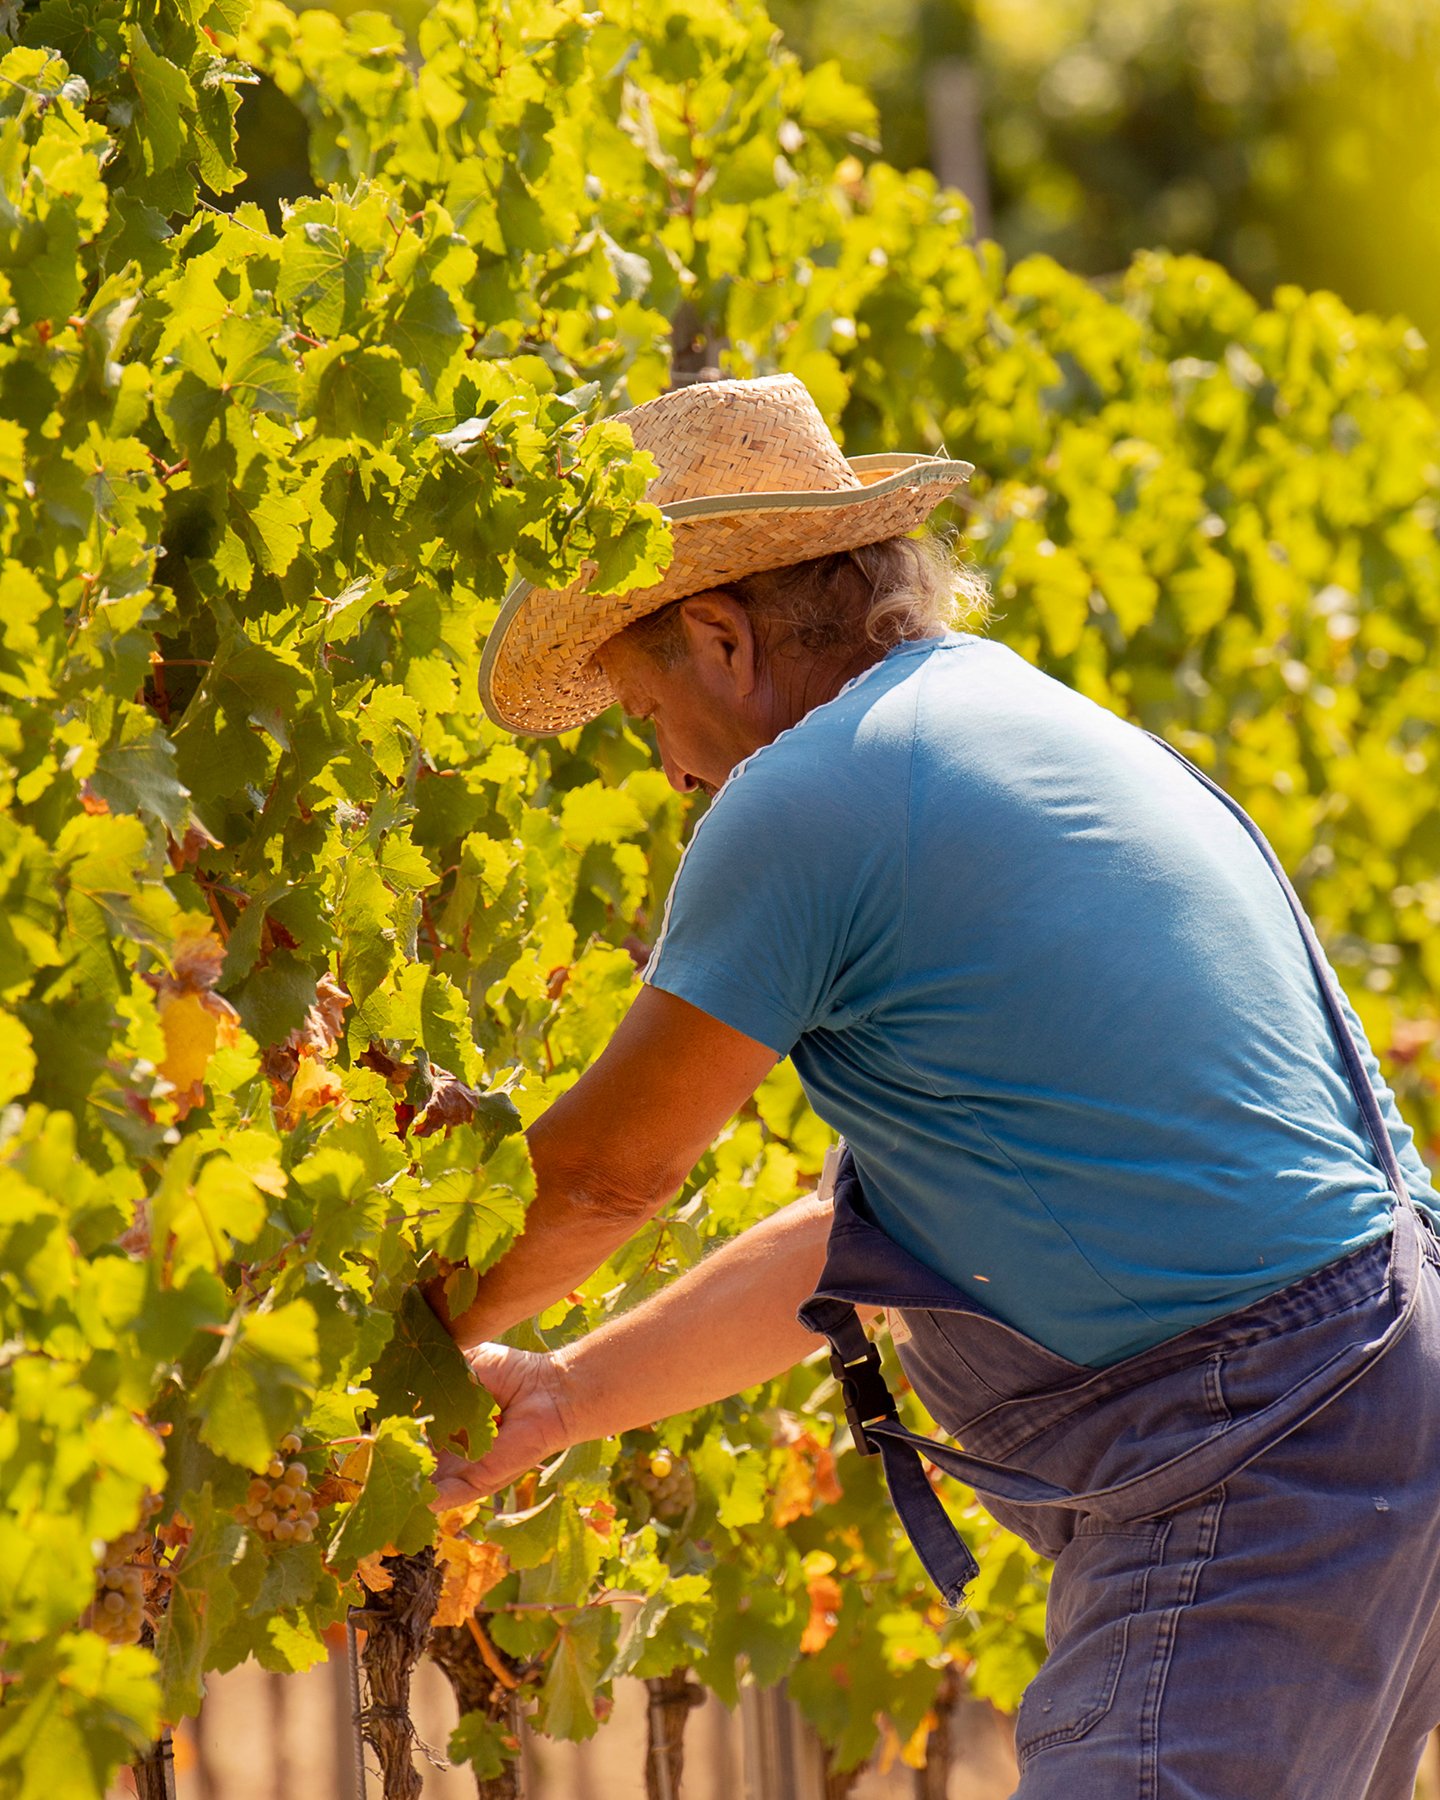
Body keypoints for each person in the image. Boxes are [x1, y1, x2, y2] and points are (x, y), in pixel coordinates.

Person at [427, 373, 1440, 1798]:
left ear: (721, 639)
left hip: (1253, 1450)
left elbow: (608, 1176)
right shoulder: (1007, 723)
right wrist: (559, 1395)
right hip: (1369, 1410)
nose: (666, 772)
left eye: (647, 711)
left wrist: (410, 1343)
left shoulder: (813, 794)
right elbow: (859, 1253)